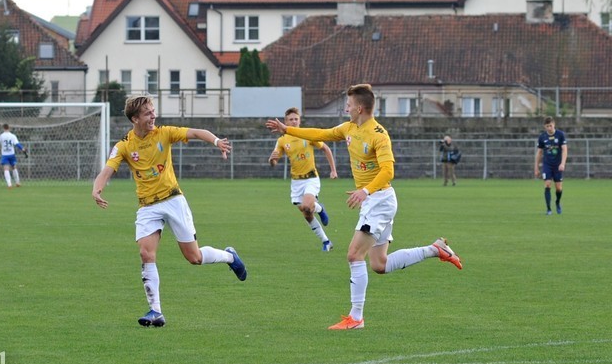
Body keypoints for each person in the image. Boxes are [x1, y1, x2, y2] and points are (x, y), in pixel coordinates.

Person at [266, 84, 462, 330]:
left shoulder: (379, 134)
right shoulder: (349, 128)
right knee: (379, 264)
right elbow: (321, 134)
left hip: (379, 199)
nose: (345, 108)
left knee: (353, 255)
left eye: (348, 105)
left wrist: (365, 190)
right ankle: (435, 249)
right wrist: (287, 129)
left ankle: (356, 318)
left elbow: (388, 170)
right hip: (375, 200)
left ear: (359, 108)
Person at [92, 95, 247, 328]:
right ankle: (156, 311)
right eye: (147, 113)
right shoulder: (124, 145)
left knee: (194, 258)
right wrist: (97, 189)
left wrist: (216, 142)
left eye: (153, 111)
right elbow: (107, 169)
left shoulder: (164, 133)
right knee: (146, 254)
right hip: (147, 206)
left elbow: (195, 132)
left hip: (173, 200)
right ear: (135, 118)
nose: (153, 116)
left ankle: (229, 256)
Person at [269, 107, 338, 252]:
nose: (293, 122)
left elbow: (326, 148)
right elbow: (274, 161)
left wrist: (333, 170)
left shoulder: (307, 135)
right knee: (307, 213)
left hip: (311, 178)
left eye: (296, 119)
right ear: (285, 122)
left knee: (307, 206)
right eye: (290, 120)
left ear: (299, 121)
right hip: (296, 182)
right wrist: (271, 160)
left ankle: (318, 208)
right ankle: (326, 241)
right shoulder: (282, 140)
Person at [534, 116, 568, 215]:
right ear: (544, 127)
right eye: (547, 126)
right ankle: (549, 209)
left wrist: (562, 163)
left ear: (554, 124)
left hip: (558, 165)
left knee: (558, 188)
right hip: (547, 165)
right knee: (547, 184)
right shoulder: (542, 137)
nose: (549, 128)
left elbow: (565, 150)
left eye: (551, 125)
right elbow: (539, 152)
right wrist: (536, 168)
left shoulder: (560, 135)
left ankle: (557, 202)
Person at [0, 123, 28, 188]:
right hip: (12, 154)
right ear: (9, 128)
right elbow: (17, 144)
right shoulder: (13, 136)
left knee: (6, 168)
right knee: (14, 167)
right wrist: (22, 149)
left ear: (3, 128)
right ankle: (17, 182)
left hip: (5, 155)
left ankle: (9, 184)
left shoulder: (1, 136)